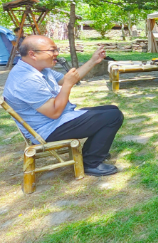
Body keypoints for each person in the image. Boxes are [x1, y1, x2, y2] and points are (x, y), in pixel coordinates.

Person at [3, 36, 124, 176]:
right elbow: (54, 112)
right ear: (32, 54)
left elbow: (69, 78)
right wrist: (67, 85)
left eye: (56, 49)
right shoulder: (26, 80)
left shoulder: (40, 69)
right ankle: (91, 163)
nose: (56, 53)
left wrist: (93, 61)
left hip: (56, 120)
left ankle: (92, 151)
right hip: (47, 129)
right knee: (113, 117)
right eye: (52, 50)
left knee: (111, 110)